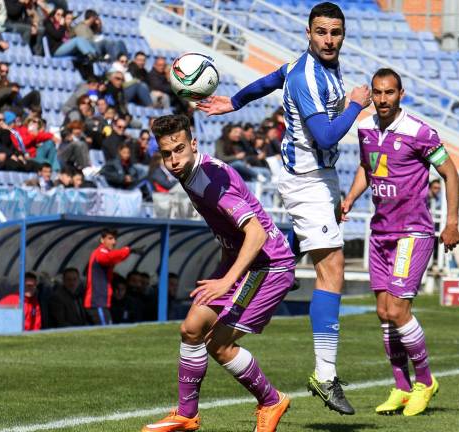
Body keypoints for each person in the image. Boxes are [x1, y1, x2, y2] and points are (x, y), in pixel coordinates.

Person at [196, 2, 371, 414]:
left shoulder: (307, 65)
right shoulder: (310, 76)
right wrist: (355, 105)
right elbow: (327, 136)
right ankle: (325, 376)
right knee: (332, 272)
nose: (329, 39)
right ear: (308, 33)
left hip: (319, 179)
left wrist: (234, 102)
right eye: (322, 32)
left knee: (313, 258)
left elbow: (272, 79)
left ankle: (278, 263)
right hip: (306, 179)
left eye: (336, 32)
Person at [143, 114, 295, 432]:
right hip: (241, 260)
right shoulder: (189, 173)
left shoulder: (211, 182)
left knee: (219, 344)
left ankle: (271, 401)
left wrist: (226, 280)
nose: (172, 159)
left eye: (179, 150)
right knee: (191, 329)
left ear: (194, 144)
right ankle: (187, 415)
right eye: (166, 153)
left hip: (267, 264)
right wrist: (223, 266)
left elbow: (256, 234)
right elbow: (231, 232)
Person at [341, 68, 459, 416]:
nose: (382, 99)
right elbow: (368, 167)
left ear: (401, 94)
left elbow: (451, 173)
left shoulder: (419, 132)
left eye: (389, 93)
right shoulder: (363, 128)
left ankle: (426, 381)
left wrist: (451, 222)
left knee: (397, 310)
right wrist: (350, 199)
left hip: (413, 232)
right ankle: (402, 387)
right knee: (382, 311)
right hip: (380, 233)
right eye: (377, 93)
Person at [84, 228, 142, 325]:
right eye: (110, 238)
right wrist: (128, 250)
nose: (114, 242)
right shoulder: (100, 252)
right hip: (96, 303)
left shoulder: (104, 253)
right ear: (102, 240)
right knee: (106, 331)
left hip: (100, 303)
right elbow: (108, 257)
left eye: (115, 239)